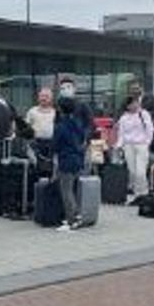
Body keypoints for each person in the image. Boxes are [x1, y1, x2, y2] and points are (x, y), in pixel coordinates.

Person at [52, 95, 86, 231]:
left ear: (60, 109)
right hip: (77, 159)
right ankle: (76, 216)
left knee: (66, 191)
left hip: (65, 160)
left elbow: (55, 145)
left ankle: (71, 220)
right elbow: (83, 138)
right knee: (73, 189)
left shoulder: (60, 126)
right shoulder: (77, 123)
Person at [115, 95, 154, 199]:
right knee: (132, 171)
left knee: (140, 171)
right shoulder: (124, 118)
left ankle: (143, 193)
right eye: (131, 103)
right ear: (127, 106)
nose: (134, 105)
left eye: (136, 102)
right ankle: (136, 193)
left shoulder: (144, 114)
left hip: (141, 145)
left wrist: (147, 142)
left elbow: (150, 129)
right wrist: (119, 146)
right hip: (128, 146)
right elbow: (121, 133)